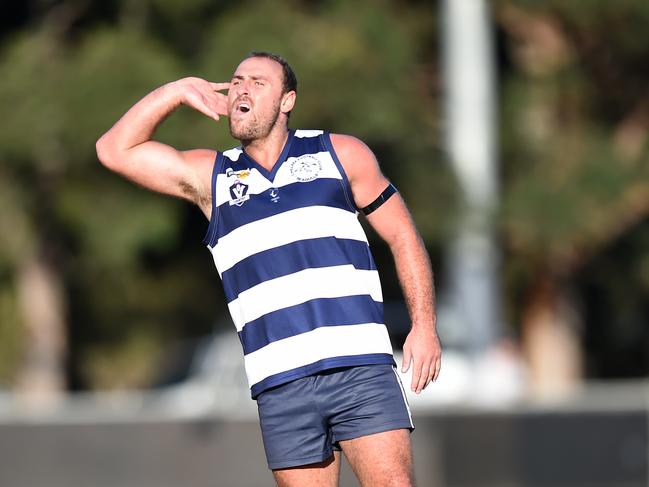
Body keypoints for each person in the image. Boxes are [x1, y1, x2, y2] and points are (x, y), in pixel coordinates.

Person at [96, 51, 441, 487]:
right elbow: (113, 150)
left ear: (287, 100)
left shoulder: (340, 153)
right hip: (283, 384)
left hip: (360, 369)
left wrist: (424, 324)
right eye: (237, 80)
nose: (241, 87)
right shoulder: (214, 177)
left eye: (258, 82)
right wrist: (175, 92)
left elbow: (404, 235)